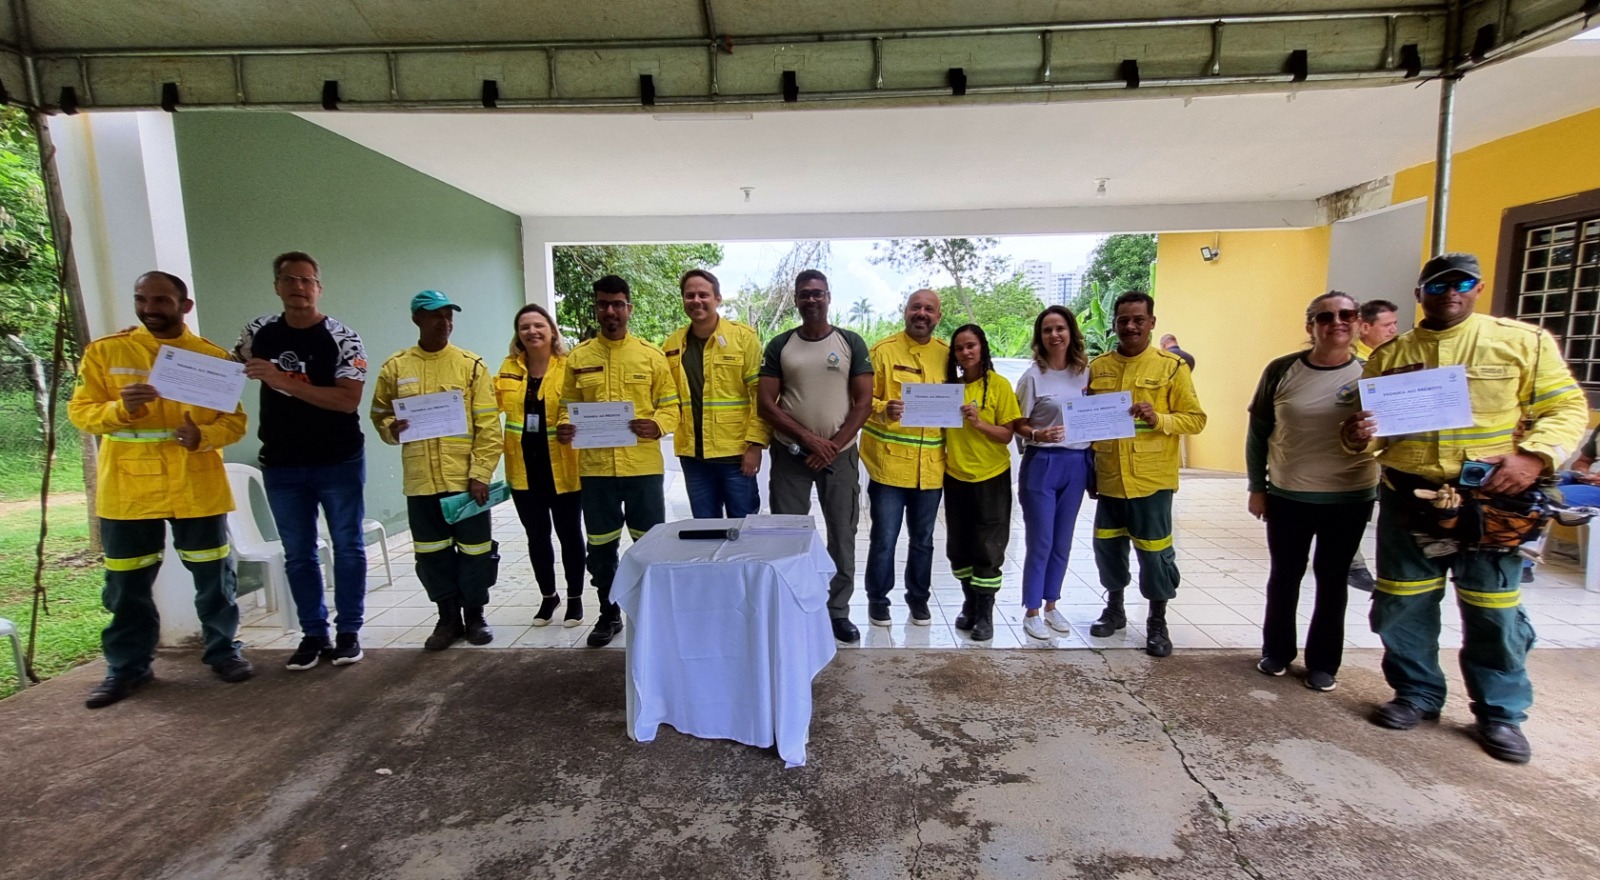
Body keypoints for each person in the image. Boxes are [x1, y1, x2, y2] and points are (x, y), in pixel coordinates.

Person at [1342, 253, 1586, 764]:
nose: (1451, 291)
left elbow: (1565, 408)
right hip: (1410, 495)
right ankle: (1417, 694)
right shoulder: (1392, 355)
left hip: (1491, 498)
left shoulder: (1522, 341)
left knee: (1493, 609)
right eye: (1438, 284)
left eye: (1463, 282)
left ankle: (1499, 714)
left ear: (1478, 288)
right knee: (1403, 601)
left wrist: (1533, 457)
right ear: (1420, 292)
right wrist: (1356, 435)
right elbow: (1369, 435)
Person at [70, 271, 252, 708]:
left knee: (214, 578)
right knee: (127, 584)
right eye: (141, 299)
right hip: (130, 491)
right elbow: (81, 413)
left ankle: (223, 651)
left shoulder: (211, 359)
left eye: (161, 301)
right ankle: (127, 668)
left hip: (196, 484)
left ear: (184, 306)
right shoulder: (107, 352)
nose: (150, 308)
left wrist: (203, 437)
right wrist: (120, 409)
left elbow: (235, 421)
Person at [234, 252, 369, 670]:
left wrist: (280, 380)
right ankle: (314, 633)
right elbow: (223, 367)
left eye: (307, 280)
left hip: (338, 459)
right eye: (289, 279)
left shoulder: (343, 338)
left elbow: (347, 401)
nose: (299, 286)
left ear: (318, 288)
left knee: (347, 546)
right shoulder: (259, 332)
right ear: (276, 286)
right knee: (298, 552)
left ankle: (348, 631)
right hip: (282, 463)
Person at [1245, 292, 1378, 692]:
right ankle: (1277, 651)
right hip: (1289, 493)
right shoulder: (1282, 370)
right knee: (1284, 575)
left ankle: (1323, 663)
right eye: (1325, 316)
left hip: (1350, 496)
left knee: (1333, 578)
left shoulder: (1374, 373)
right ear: (1310, 326)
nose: (1336, 322)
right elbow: (1258, 434)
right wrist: (1257, 486)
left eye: (1346, 315)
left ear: (1358, 324)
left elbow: (1391, 433)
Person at [370, 291, 503, 651]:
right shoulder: (395, 367)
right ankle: (447, 619)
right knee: (431, 554)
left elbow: (489, 427)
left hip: (465, 481)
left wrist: (480, 474)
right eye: (435, 316)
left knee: (475, 551)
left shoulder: (470, 365)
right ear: (417, 319)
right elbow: (380, 414)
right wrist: (390, 429)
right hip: (421, 481)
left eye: (448, 315)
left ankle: (475, 615)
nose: (444, 322)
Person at [556, 275, 678, 648]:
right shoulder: (578, 358)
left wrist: (656, 424)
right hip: (596, 473)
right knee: (602, 548)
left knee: (650, 545)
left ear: (629, 308)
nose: (610, 311)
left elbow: (671, 405)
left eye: (617, 304)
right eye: (603, 304)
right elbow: (566, 407)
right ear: (596, 308)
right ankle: (608, 614)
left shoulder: (651, 356)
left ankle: (651, 611)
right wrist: (564, 427)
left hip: (642, 469)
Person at [1087, 291, 1207, 657]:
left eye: (1138, 319)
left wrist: (1159, 418)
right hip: (1109, 476)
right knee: (1107, 547)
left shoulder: (1172, 367)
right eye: (1123, 320)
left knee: (1154, 555)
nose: (1130, 326)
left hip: (1151, 480)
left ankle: (1157, 621)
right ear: (1115, 324)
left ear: (1152, 323)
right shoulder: (1099, 367)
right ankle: (1115, 609)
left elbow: (1196, 419)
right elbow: (1090, 421)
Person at [757, 269, 874, 643]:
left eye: (818, 293)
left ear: (828, 297)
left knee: (843, 533)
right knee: (789, 535)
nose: (812, 299)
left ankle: (837, 611)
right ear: (796, 299)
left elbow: (864, 402)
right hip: (791, 453)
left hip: (839, 457)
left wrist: (833, 445)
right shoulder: (780, 345)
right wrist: (810, 440)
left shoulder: (849, 342)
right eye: (805, 294)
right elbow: (766, 404)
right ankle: (794, 606)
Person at [861, 289, 947, 627]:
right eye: (916, 307)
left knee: (923, 540)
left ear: (938, 316)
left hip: (931, 468)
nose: (921, 313)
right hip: (889, 467)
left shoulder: (947, 354)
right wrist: (884, 408)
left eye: (929, 309)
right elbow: (860, 401)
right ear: (905, 311)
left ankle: (919, 599)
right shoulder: (882, 352)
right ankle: (878, 599)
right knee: (884, 538)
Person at [496, 303, 584, 627]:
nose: (532, 331)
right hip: (523, 469)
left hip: (562, 467)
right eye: (524, 327)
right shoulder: (509, 368)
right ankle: (549, 596)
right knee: (536, 536)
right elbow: (489, 403)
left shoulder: (568, 365)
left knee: (570, 534)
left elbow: (579, 404)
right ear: (518, 335)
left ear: (551, 331)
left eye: (538, 325)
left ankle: (575, 598)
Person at [1015, 306, 1093, 641]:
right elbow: (1016, 422)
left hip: (1076, 464)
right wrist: (1036, 434)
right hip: (1042, 464)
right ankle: (1032, 610)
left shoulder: (1085, 373)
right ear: (1040, 337)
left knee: (1062, 541)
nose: (1054, 335)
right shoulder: (1033, 376)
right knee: (1041, 541)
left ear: (1071, 332)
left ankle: (1051, 604)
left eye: (1060, 328)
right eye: (1047, 330)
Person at [662, 269, 767, 518]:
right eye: (690, 295)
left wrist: (755, 445)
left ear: (717, 299)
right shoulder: (672, 345)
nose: (696, 300)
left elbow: (761, 395)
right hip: (693, 457)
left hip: (736, 455)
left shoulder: (743, 338)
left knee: (743, 529)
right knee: (706, 530)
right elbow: (665, 397)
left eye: (703, 295)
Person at [942, 324, 1022, 642]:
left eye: (971, 345)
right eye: (960, 348)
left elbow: (1007, 435)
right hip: (956, 477)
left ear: (982, 348)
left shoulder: (1000, 386)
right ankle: (970, 603)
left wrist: (978, 423)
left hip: (991, 478)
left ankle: (986, 615)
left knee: (988, 548)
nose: (966, 352)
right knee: (958, 548)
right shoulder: (951, 389)